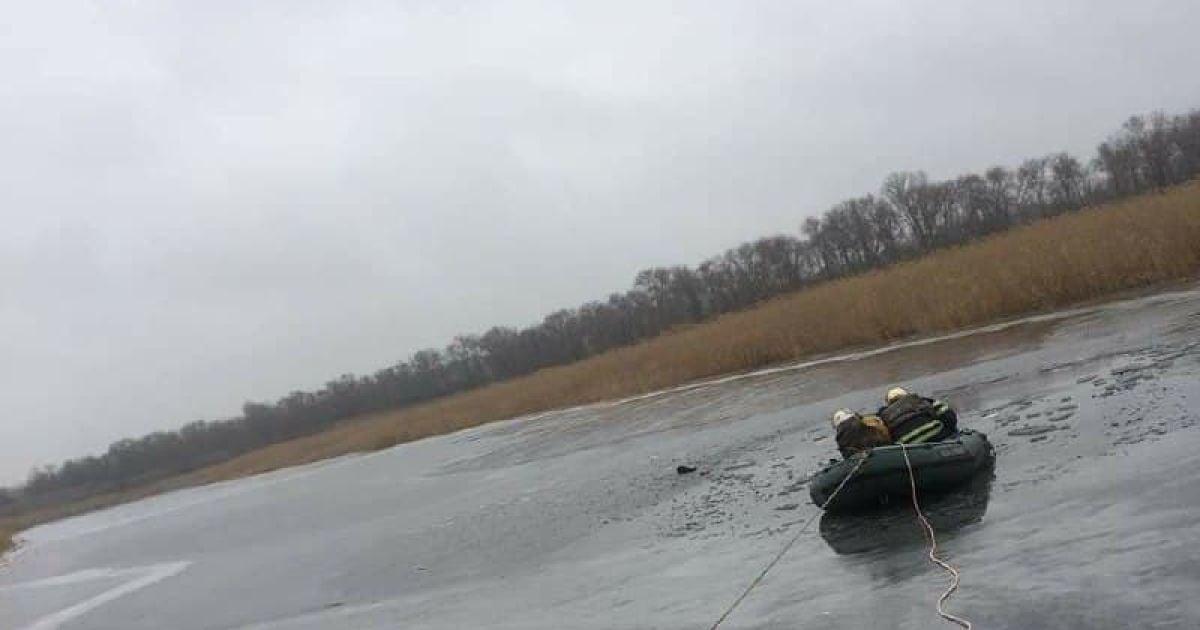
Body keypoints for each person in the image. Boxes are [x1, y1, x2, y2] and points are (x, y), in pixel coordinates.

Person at [877, 386, 958, 445]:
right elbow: (949, 416)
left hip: (909, 447)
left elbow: (886, 438)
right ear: (906, 395)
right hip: (936, 434)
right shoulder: (923, 401)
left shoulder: (884, 416)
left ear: (888, 403)